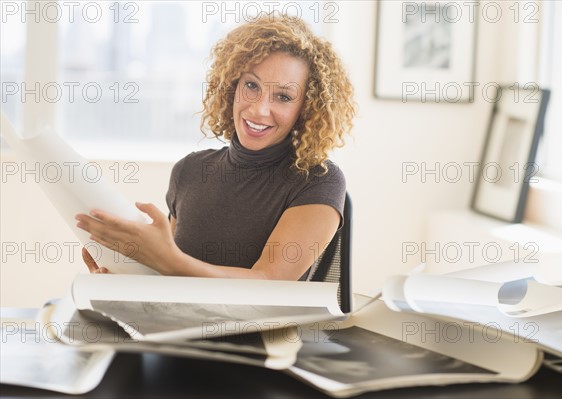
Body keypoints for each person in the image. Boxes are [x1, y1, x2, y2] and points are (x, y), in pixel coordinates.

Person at [75, 13, 356, 281]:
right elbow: (174, 280)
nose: (259, 109)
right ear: (232, 85)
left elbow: (267, 282)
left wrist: (167, 258)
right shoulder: (189, 171)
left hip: (257, 333)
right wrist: (126, 278)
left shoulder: (318, 181)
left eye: (283, 96)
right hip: (173, 330)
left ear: (306, 108)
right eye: (252, 86)